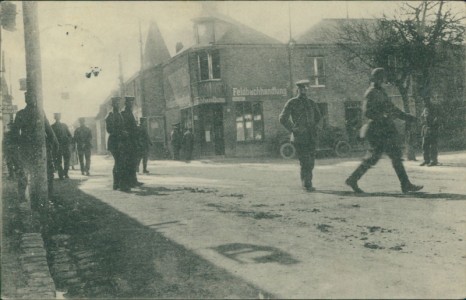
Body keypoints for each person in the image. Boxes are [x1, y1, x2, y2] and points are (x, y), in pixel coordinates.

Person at [345, 68, 423, 194]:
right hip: (377, 131)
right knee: (375, 158)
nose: (383, 80)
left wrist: (407, 117)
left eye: (384, 78)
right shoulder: (371, 92)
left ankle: (405, 184)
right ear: (376, 78)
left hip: (385, 131)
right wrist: (383, 116)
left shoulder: (381, 92)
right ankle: (353, 179)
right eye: (381, 78)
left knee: (394, 157)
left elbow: (392, 109)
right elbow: (367, 112)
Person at [12, 92, 58, 204]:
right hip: (39, 147)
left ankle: (23, 198)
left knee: (24, 172)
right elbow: (49, 131)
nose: (30, 99)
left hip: (27, 148)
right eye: (29, 97)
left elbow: (15, 134)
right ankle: (48, 196)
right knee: (45, 171)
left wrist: (18, 147)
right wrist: (54, 143)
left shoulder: (21, 114)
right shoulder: (38, 112)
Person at [279, 79, 322, 192]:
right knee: (305, 161)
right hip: (300, 137)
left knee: (311, 162)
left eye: (306, 88)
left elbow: (319, 118)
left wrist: (316, 127)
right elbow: (282, 118)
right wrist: (293, 129)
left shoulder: (312, 103)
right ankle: (306, 184)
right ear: (297, 89)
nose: (304, 90)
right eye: (301, 88)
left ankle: (308, 182)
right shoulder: (292, 102)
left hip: (311, 136)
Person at [106, 97, 130, 191]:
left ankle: (117, 184)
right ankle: (118, 184)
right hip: (115, 141)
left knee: (120, 162)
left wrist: (123, 132)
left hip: (120, 140)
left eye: (119, 103)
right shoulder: (110, 115)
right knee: (119, 162)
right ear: (113, 104)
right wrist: (121, 132)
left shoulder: (118, 114)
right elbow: (110, 130)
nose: (118, 105)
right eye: (116, 103)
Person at [121, 96, 143, 188]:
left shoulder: (130, 112)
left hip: (132, 140)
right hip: (128, 140)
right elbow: (125, 127)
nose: (132, 105)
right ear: (127, 103)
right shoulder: (124, 113)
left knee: (133, 161)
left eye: (132, 103)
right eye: (130, 103)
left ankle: (133, 180)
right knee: (129, 161)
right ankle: (130, 181)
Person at [51, 113, 73, 179]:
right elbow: (51, 137)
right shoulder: (52, 127)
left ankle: (65, 173)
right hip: (57, 147)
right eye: (56, 116)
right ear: (55, 117)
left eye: (59, 116)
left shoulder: (64, 125)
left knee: (66, 160)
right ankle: (61, 174)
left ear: (60, 117)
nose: (58, 118)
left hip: (65, 146)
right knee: (58, 161)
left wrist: (68, 142)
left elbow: (69, 135)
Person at [419, 101, 440, 166]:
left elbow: (437, 119)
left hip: (432, 130)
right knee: (424, 146)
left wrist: (432, 125)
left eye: (425, 101)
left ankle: (433, 160)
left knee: (433, 146)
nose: (424, 103)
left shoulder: (434, 109)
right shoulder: (425, 110)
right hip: (425, 130)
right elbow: (421, 117)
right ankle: (426, 160)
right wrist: (423, 123)